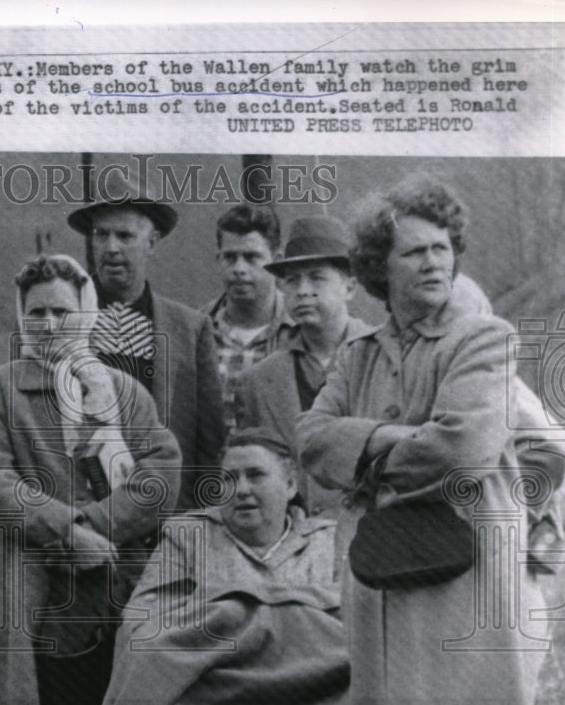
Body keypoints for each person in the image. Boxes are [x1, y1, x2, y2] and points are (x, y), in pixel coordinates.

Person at [295, 178, 557, 705]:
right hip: (379, 579)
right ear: (378, 269)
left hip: (465, 576)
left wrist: (363, 447)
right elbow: (310, 437)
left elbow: (461, 448)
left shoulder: (484, 339)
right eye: (415, 251)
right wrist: (401, 439)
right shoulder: (357, 356)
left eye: (442, 247)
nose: (435, 260)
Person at [0, 254, 181, 705]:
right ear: (21, 317)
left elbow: (160, 474)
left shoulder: (123, 392)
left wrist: (93, 527)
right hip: (34, 591)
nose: (49, 325)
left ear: (87, 314)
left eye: (62, 312)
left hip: (120, 584)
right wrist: (68, 533)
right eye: (37, 312)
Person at [78, 428, 355, 705]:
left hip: (315, 696)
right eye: (228, 478)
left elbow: (356, 628)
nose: (239, 489)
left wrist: (227, 615)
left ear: (290, 486)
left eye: (255, 475)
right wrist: (292, 613)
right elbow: (141, 626)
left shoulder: (330, 541)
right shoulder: (188, 537)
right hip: (209, 698)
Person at [68, 169, 223, 509]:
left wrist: (200, 517)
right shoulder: (62, 321)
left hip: (167, 515)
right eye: (101, 235)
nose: (110, 248)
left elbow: (210, 442)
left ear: (151, 243)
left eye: (125, 236)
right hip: (84, 515)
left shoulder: (190, 328)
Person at [235, 216, 371, 518]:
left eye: (317, 277)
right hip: (296, 541)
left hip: (371, 538)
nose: (303, 290)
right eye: (292, 280)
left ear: (349, 288)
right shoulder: (258, 381)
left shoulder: (381, 359)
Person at [199, 204, 294, 434]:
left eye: (252, 257)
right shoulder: (197, 328)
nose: (239, 269)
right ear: (218, 259)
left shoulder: (300, 331)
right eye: (230, 257)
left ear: (276, 260)